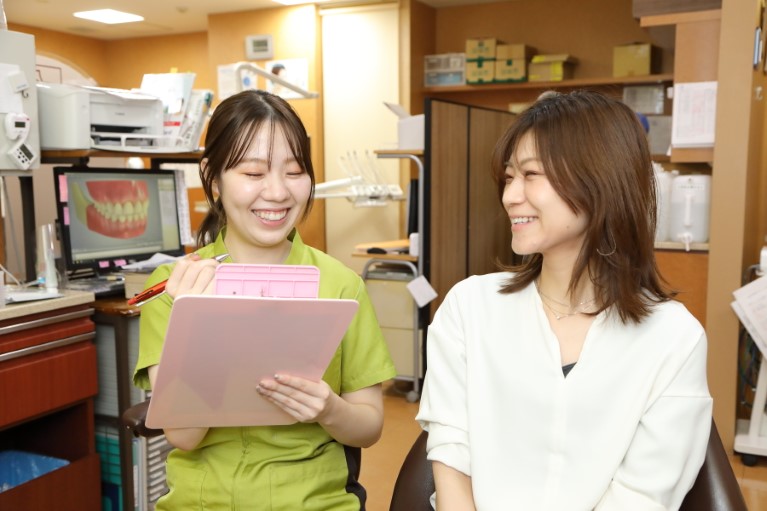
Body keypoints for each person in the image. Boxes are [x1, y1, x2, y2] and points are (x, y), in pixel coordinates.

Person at [415, 90, 712, 510]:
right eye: (508, 176)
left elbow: (643, 497)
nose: (510, 196)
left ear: (600, 180)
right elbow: (451, 458)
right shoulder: (470, 308)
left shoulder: (673, 338)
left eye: (531, 175)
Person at [133, 89, 396, 510]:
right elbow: (183, 436)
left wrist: (329, 410)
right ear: (213, 178)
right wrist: (196, 326)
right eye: (254, 174)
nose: (277, 193)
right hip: (204, 501)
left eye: (294, 172)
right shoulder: (176, 287)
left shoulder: (340, 284)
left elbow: (369, 426)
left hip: (312, 500)